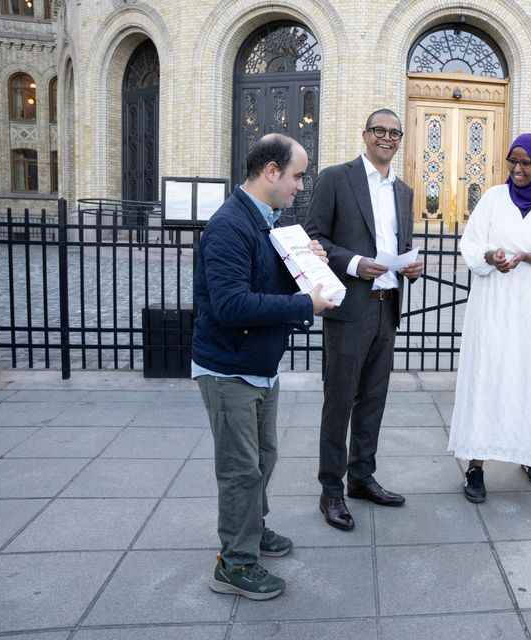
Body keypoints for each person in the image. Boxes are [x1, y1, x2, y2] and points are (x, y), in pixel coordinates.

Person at [192, 133, 334, 600]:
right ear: (271, 171)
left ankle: (251, 527)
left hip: (259, 364)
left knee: (263, 458)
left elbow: (266, 282)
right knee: (240, 470)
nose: (301, 186)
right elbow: (232, 305)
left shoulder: (268, 222)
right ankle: (234, 563)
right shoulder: (229, 226)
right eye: (297, 176)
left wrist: (306, 265)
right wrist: (304, 304)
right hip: (229, 368)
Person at [304, 109, 423, 531]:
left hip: (387, 306)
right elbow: (314, 237)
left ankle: (361, 477)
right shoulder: (338, 178)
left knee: (373, 399)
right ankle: (330, 489)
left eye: (394, 133)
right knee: (339, 401)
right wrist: (354, 263)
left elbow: (398, 244)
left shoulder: (403, 191)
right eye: (379, 131)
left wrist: (411, 266)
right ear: (365, 135)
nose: (387, 138)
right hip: (351, 308)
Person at [448, 133, 531, 503]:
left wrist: (525, 255)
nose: (518, 170)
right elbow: (471, 244)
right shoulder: (493, 198)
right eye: (513, 162)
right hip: (494, 310)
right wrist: (491, 256)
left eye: (526, 163)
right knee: (487, 379)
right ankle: (476, 465)